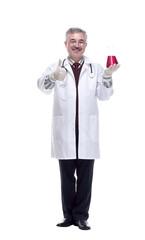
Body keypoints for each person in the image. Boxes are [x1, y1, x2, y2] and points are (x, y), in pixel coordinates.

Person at [37, 28, 120, 230]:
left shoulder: (96, 67)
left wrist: (108, 75)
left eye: (80, 41)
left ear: (85, 44)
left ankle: (81, 216)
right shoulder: (55, 66)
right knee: (66, 176)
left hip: (86, 131)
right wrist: (53, 77)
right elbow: (42, 87)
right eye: (72, 41)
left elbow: (104, 95)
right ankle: (68, 217)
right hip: (64, 130)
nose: (76, 44)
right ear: (65, 44)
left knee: (85, 175)